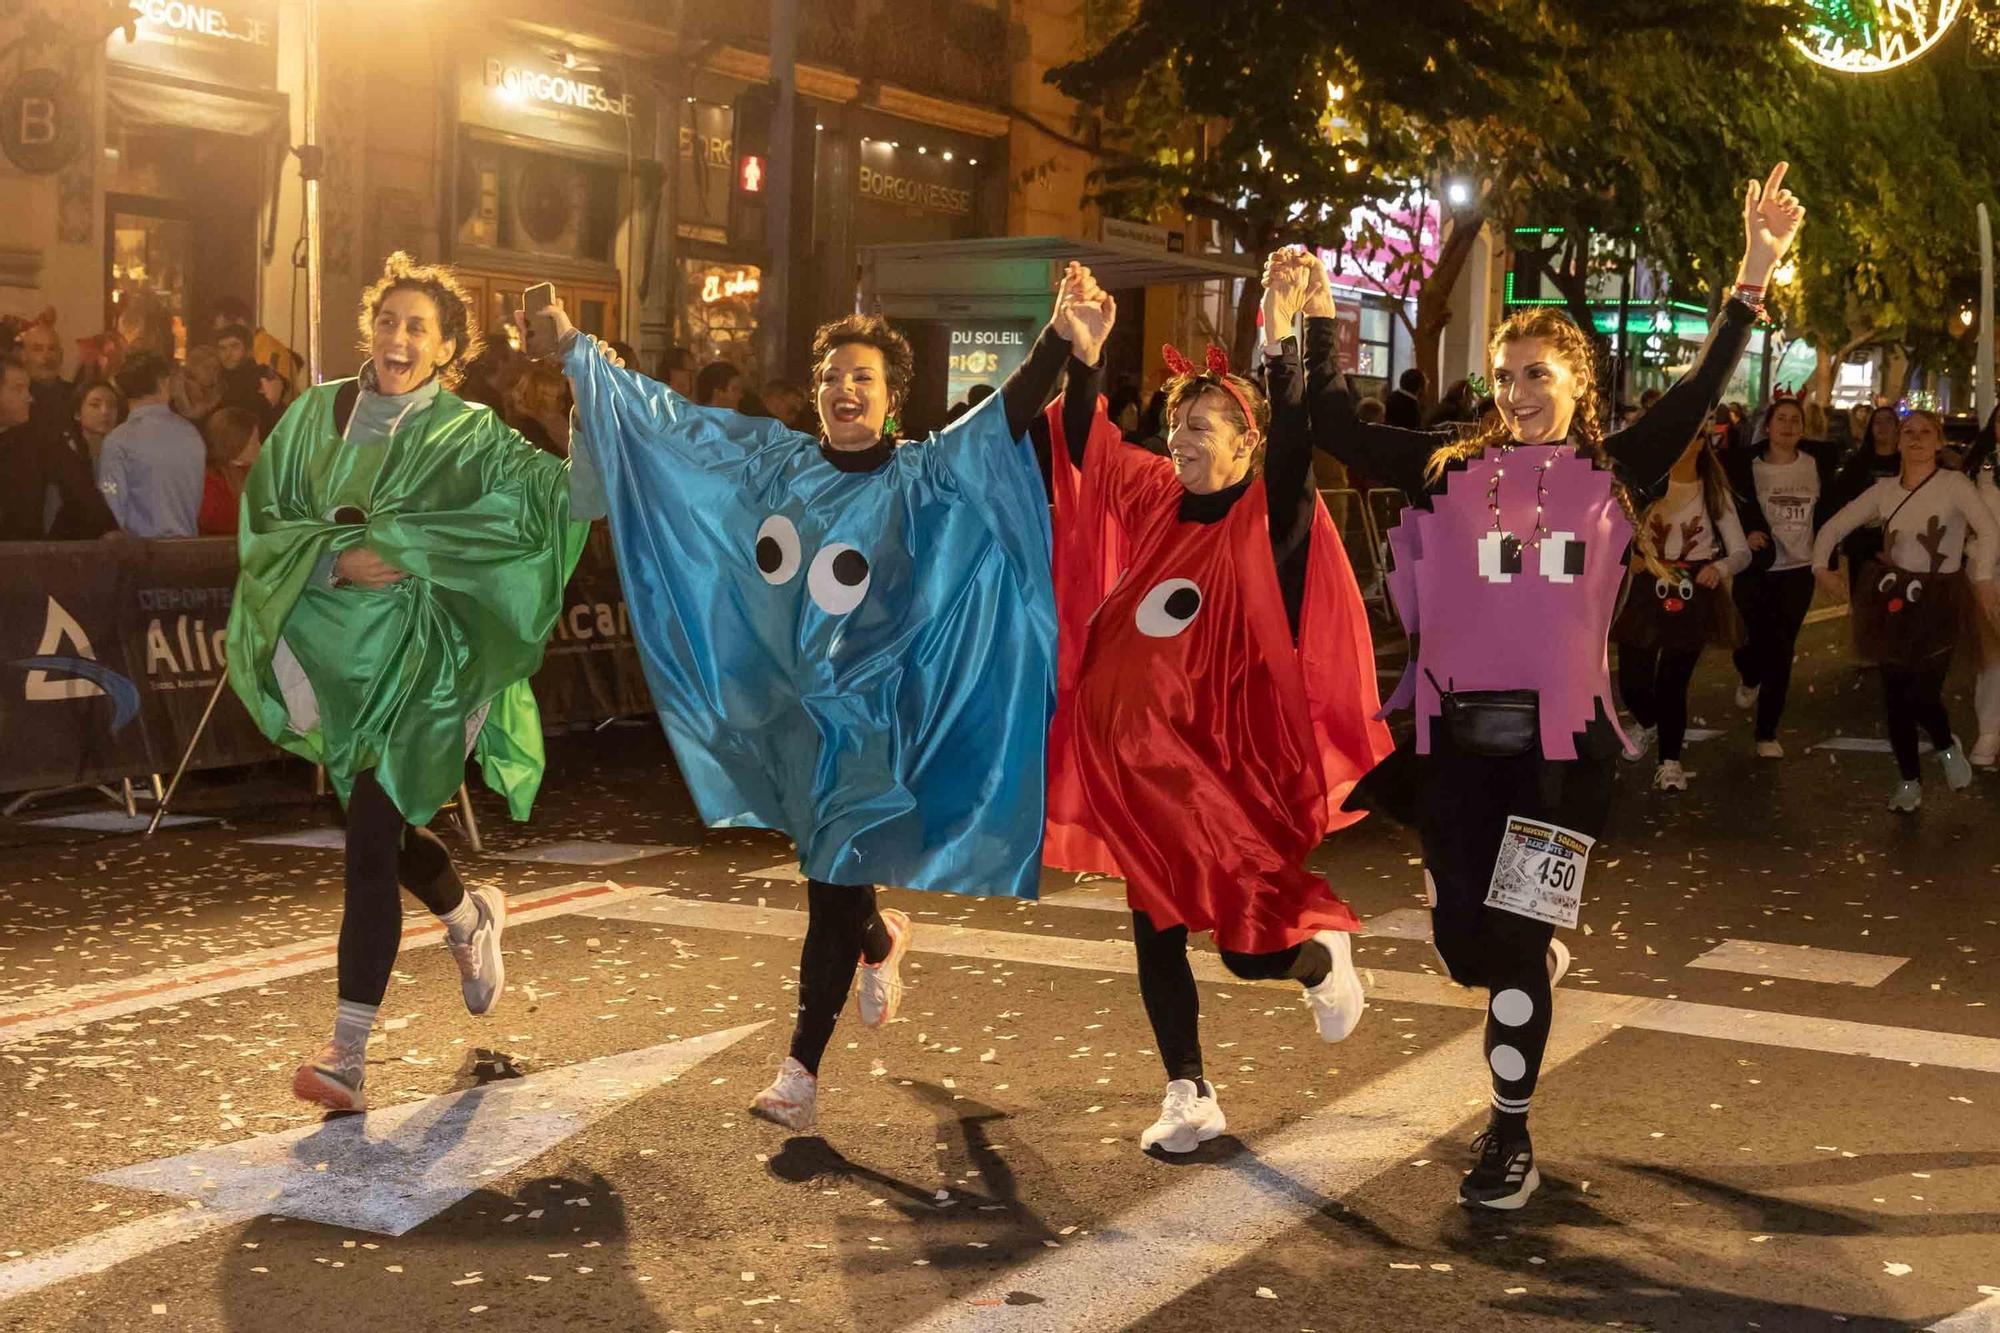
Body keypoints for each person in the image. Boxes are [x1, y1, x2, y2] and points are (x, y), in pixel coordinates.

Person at [1306, 164, 1802, 1209]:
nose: (1517, 391)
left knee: (1515, 948)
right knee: (1458, 951)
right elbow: (1337, 431)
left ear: (1576, 381)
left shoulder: (1613, 470)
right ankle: (1514, 958)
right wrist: (1309, 322)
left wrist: (1751, 274)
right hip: (1451, 743)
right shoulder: (1447, 469)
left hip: (1556, 757)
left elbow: (1700, 391)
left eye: (1537, 373)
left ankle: (1508, 1136)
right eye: (1504, 373)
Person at [553, 269, 1084, 1135]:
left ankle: (800, 1067)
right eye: (833, 375)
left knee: (830, 876)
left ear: (893, 399)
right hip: (795, 716)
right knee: (836, 870)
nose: (844, 389)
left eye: (863, 377)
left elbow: (1007, 420)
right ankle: (879, 940)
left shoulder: (923, 475)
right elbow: (678, 435)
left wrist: (1058, 338)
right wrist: (591, 366)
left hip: (879, 722)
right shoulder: (779, 467)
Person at [226, 251, 612, 1114]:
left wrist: (585, 386)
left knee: (368, 839)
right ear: (371, 327)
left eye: (419, 328)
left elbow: (571, 501)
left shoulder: (472, 434)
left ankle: (346, 1057)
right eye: (388, 320)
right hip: (337, 663)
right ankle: (469, 915)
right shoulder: (316, 416)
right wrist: (332, 560)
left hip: (429, 667)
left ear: (447, 350)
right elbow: (266, 522)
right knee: (383, 836)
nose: (399, 338)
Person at [1044, 258, 1389, 1155]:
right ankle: (1188, 1089)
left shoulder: (1267, 519)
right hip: (1143, 783)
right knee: (1154, 929)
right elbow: (1088, 448)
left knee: (1246, 949)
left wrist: (1287, 337)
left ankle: (1316, 957)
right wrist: (1081, 359)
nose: (1182, 438)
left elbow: (1297, 442)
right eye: (1175, 423)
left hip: (1225, 781)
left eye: (1203, 426)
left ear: (1245, 442)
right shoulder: (1162, 497)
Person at [1811, 409, 2000, 811]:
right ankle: (1909, 780)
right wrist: (1820, 567)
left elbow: (1987, 529)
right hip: (1894, 599)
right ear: (1898, 441)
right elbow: (1834, 526)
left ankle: (1947, 745)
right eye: (1908, 432)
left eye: (1925, 432)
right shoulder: (1884, 491)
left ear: (1939, 440)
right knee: (1895, 696)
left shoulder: (1954, 484)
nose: (1916, 439)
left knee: (1924, 693)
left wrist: (1982, 578)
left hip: (1941, 599)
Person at [1613, 425, 1751, 791]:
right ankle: (1647, 723)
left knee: (1673, 682)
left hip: (1691, 593)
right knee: (1632, 682)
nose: (1686, 442)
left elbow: (1740, 551)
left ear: (1704, 443)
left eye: (1694, 436)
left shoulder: (1713, 490)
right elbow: (1610, 531)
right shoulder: (1642, 485)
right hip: (1645, 590)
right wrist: (1629, 558)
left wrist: (1718, 568)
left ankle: (1670, 762)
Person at [1725, 396, 1839, 756]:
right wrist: (1745, 531)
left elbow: (1837, 503)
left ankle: (1767, 732)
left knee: (1781, 649)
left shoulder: (1818, 463)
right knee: (1745, 641)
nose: (1788, 426)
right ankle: (1749, 676)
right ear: (1768, 426)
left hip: (1797, 570)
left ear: (1803, 429)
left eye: (1795, 420)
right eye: (1782, 419)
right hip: (1757, 567)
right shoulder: (1745, 465)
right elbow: (1728, 504)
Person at [0, 355, 118, 540]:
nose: (29, 398)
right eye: (18, 389)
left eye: (27, 389)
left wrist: (108, 529)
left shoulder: (38, 439)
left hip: (22, 558)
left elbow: (78, 483)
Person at [96, 352, 205, 537]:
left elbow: (112, 509)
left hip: (141, 554)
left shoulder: (119, 440)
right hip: (189, 547)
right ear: (163, 383)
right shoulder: (190, 434)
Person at [209, 295, 304, 390]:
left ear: (240, 323)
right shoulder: (256, 348)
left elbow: (269, 401)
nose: (220, 339)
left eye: (224, 331)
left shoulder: (268, 353)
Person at [196, 405, 262, 536]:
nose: (260, 446)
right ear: (235, 444)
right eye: (254, 442)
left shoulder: (251, 472)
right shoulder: (210, 483)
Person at [18, 318, 71, 440]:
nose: (47, 356)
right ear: (23, 356)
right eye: (38, 349)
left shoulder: (76, 396)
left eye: (52, 349)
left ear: (61, 355)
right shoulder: (15, 399)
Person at [507, 361, 572, 457]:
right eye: (557, 398)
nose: (562, 404)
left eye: (561, 396)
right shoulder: (531, 438)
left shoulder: (570, 408)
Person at [64, 378, 125, 471]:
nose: (105, 411)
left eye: (112, 405)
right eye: (95, 405)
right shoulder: (63, 452)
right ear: (77, 413)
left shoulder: (124, 451)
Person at [215, 323, 266, 415]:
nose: (227, 355)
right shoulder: (214, 378)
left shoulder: (260, 378)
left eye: (235, 347)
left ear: (248, 350)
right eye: (222, 348)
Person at [172, 344, 224, 425]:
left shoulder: (218, 396)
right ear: (192, 368)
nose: (212, 373)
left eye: (215, 368)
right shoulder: (175, 396)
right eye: (206, 368)